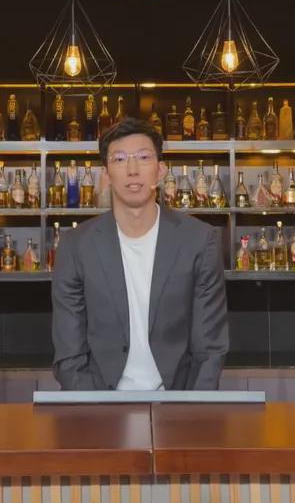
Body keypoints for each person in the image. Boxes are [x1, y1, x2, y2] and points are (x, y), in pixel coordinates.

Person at [52, 117, 228, 390]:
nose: (132, 170)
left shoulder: (199, 240)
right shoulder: (75, 245)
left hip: (177, 401)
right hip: (100, 404)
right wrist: (93, 409)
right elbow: (69, 353)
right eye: (120, 159)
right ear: (106, 175)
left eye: (144, 157)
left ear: (160, 170)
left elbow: (209, 349)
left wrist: (191, 408)